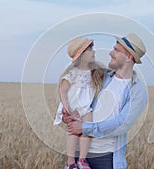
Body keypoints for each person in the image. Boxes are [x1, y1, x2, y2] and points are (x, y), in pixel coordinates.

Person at [63, 33, 148, 169]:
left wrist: (84, 127)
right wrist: (68, 114)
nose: (110, 53)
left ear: (129, 57)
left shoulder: (137, 90)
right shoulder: (100, 76)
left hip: (105, 158)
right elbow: (80, 100)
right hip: (79, 153)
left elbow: (122, 124)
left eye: (116, 50)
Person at [53, 36, 105, 169]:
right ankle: (70, 162)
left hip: (86, 106)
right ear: (81, 56)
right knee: (74, 132)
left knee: (86, 130)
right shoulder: (73, 73)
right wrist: (66, 107)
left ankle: (82, 160)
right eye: (89, 50)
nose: (94, 52)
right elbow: (63, 91)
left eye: (92, 48)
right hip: (73, 106)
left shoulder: (92, 71)